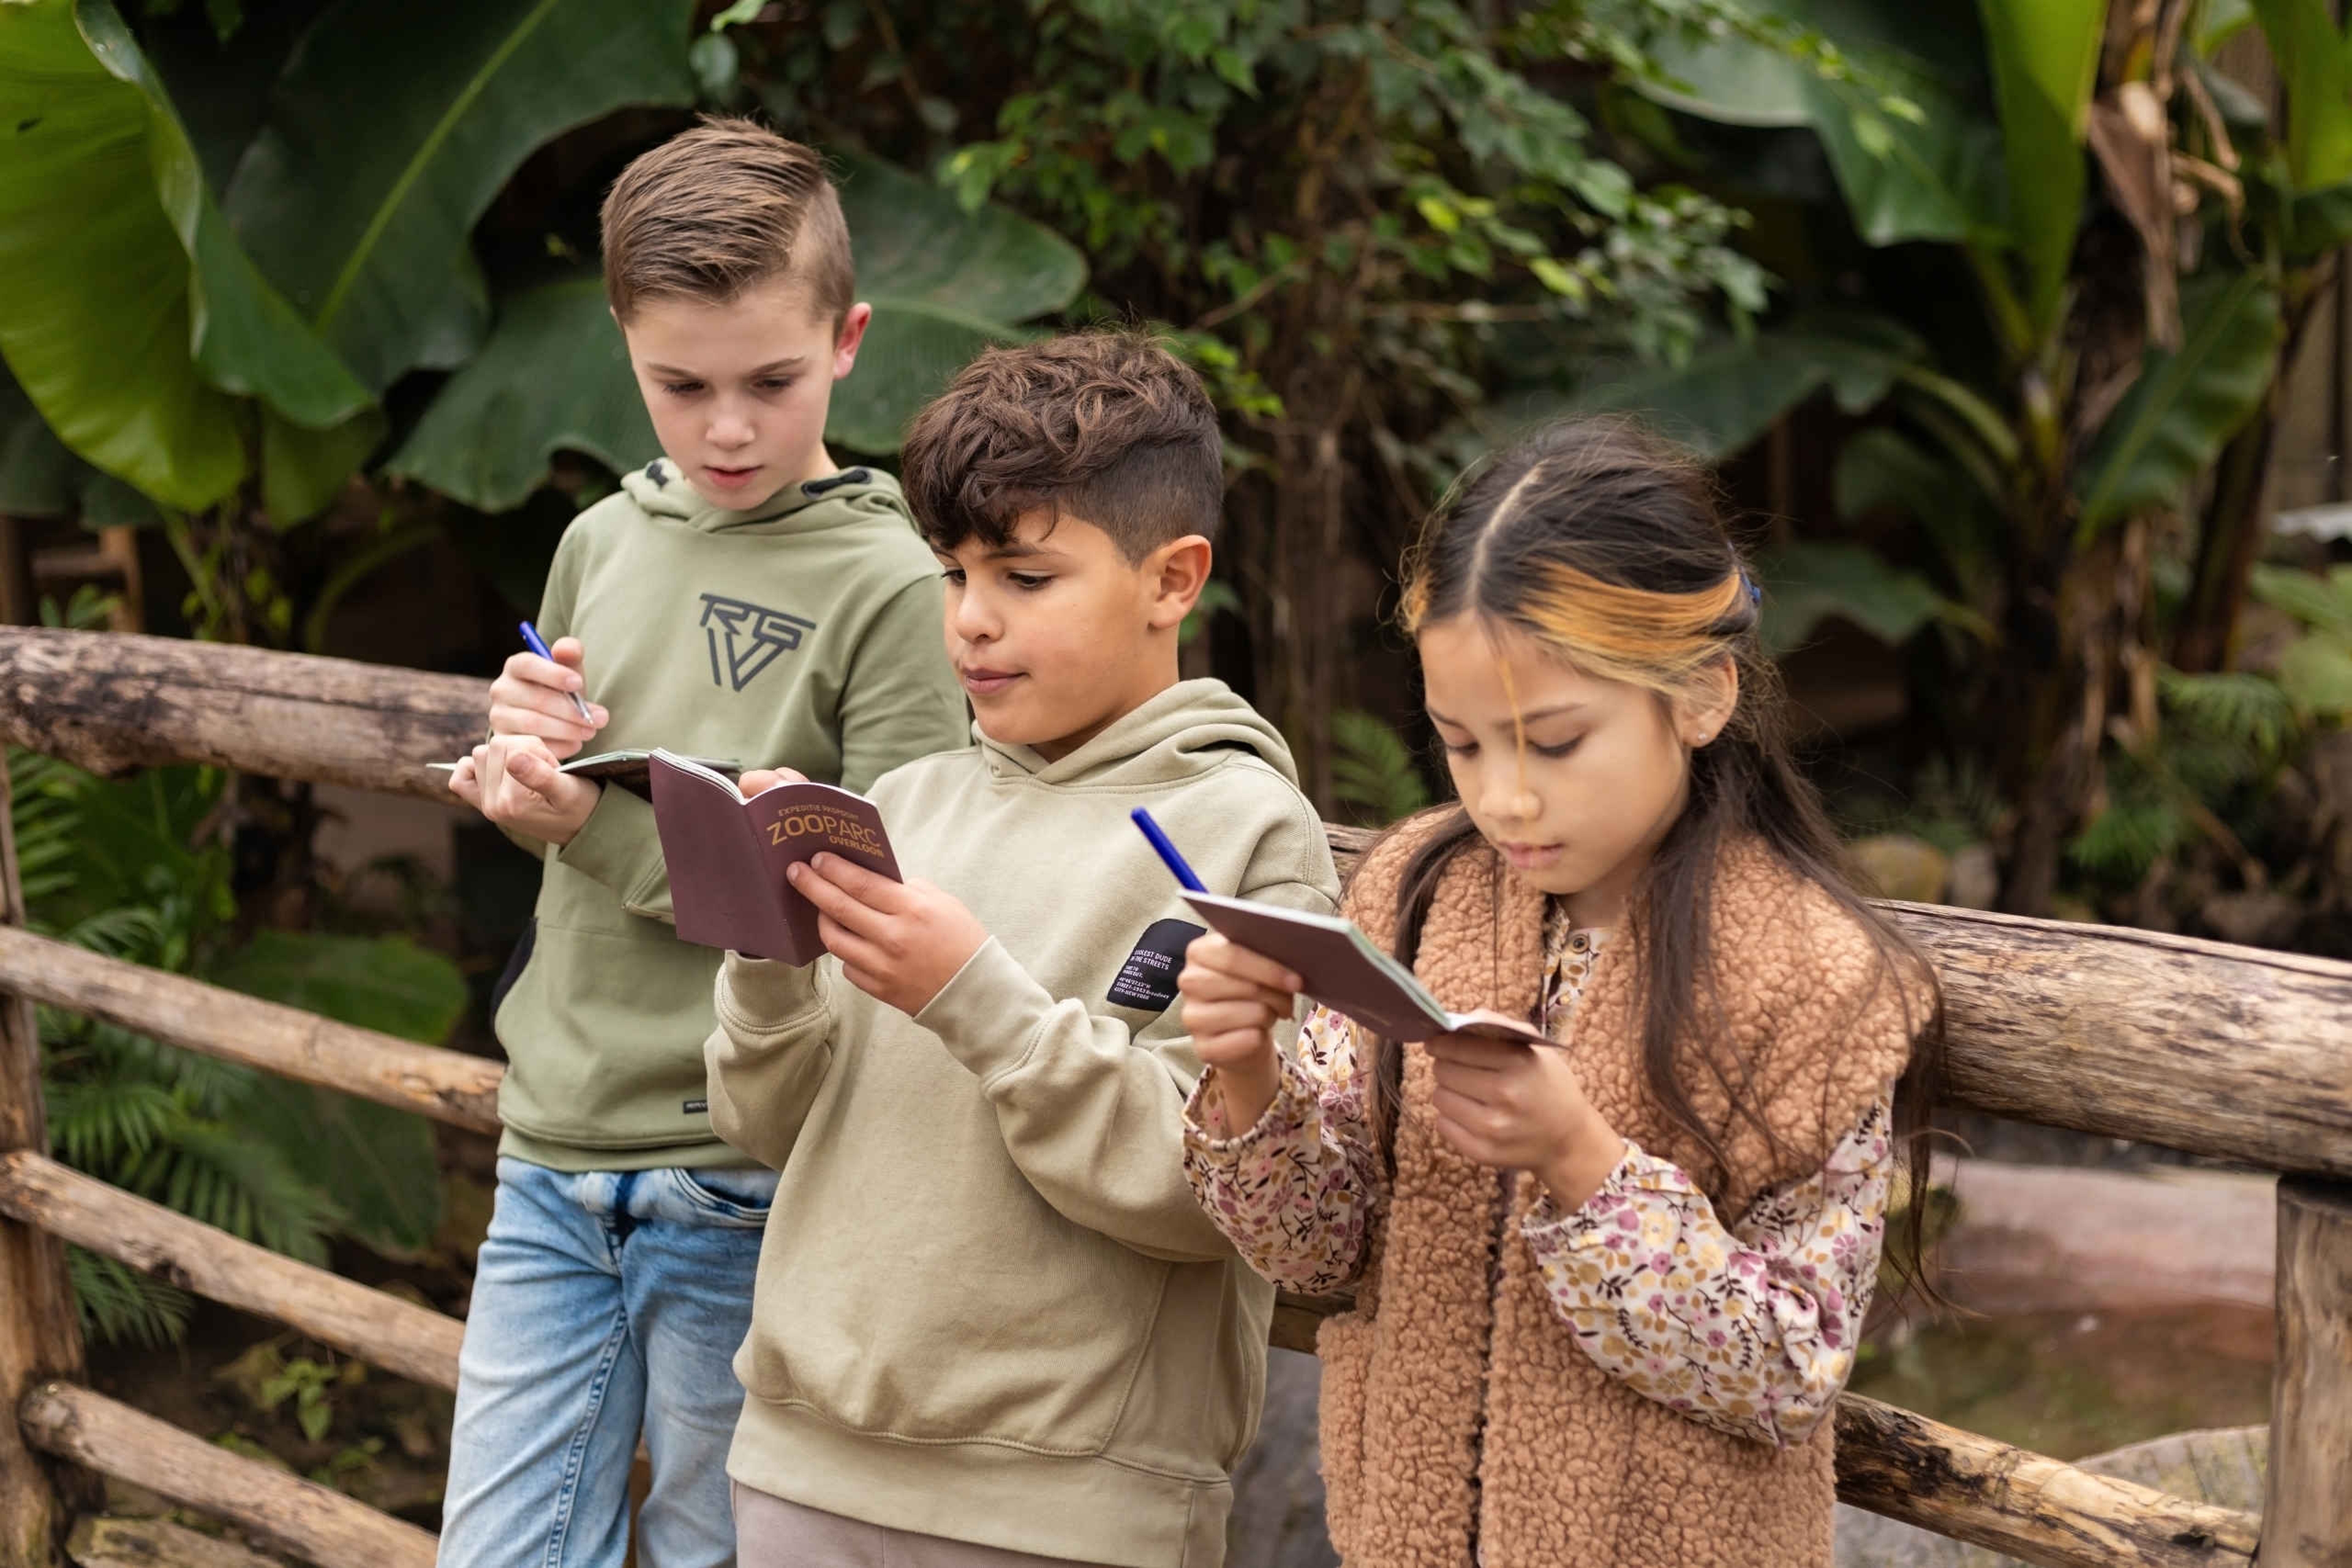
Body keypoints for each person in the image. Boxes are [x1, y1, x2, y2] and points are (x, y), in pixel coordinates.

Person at [1176, 416, 1942, 1568]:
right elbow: (1323, 1256)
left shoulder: (1816, 975)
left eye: (1555, 741)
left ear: (1700, 696)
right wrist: (1245, 1077)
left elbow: (1794, 1366)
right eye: (1464, 746)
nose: (1505, 801)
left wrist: (1583, 1165)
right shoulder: (1414, 896)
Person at [704, 331, 1343, 1568]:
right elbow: (764, 1121)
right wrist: (766, 947)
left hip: (1070, 1507)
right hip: (794, 1464)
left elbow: (1206, 1189)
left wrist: (972, 994)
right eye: (952, 576)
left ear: (1173, 579)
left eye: (1026, 577)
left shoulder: (1247, 831)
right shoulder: (909, 803)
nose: (973, 623)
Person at [439, 117, 967, 1568]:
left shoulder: (895, 583)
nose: (727, 427)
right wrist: (526, 734)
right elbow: (567, 770)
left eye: (771, 383)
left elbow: (878, 909)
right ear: (623, 349)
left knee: (709, 1549)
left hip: (741, 1169)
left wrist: (589, 830)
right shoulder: (599, 540)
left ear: (849, 340)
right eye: (682, 385)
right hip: (550, 1143)